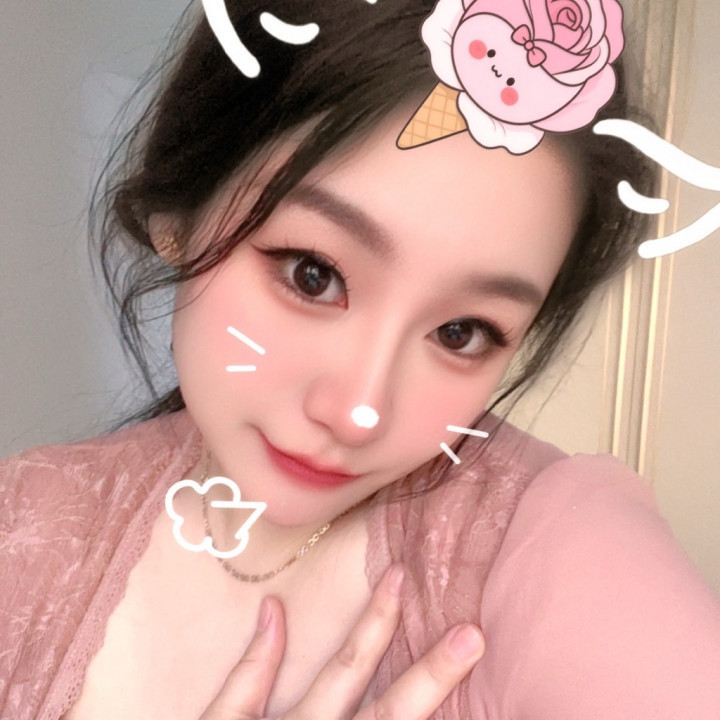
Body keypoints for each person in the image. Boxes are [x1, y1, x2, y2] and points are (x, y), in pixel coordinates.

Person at [2, 1, 720, 718]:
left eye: (461, 332)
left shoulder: (554, 544)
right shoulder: (23, 523)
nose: (358, 413)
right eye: (312, 274)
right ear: (180, 215)